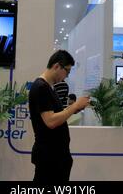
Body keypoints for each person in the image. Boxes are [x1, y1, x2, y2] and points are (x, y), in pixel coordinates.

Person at [29, 50, 90, 183]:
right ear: (57, 66)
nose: (67, 76)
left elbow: (57, 114)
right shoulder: (41, 87)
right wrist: (74, 106)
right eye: (67, 71)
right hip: (49, 157)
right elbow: (50, 121)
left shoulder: (49, 88)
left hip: (55, 157)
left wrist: (75, 108)